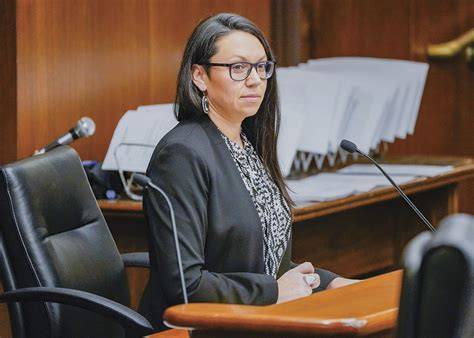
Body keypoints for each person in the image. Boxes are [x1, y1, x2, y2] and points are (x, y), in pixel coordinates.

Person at [138, 13, 358, 331]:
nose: (255, 79)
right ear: (199, 75)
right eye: (238, 68)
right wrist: (273, 292)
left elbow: (264, 260)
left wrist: (327, 282)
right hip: (197, 330)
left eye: (261, 67)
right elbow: (185, 285)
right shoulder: (182, 155)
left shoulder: (246, 143)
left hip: (252, 321)